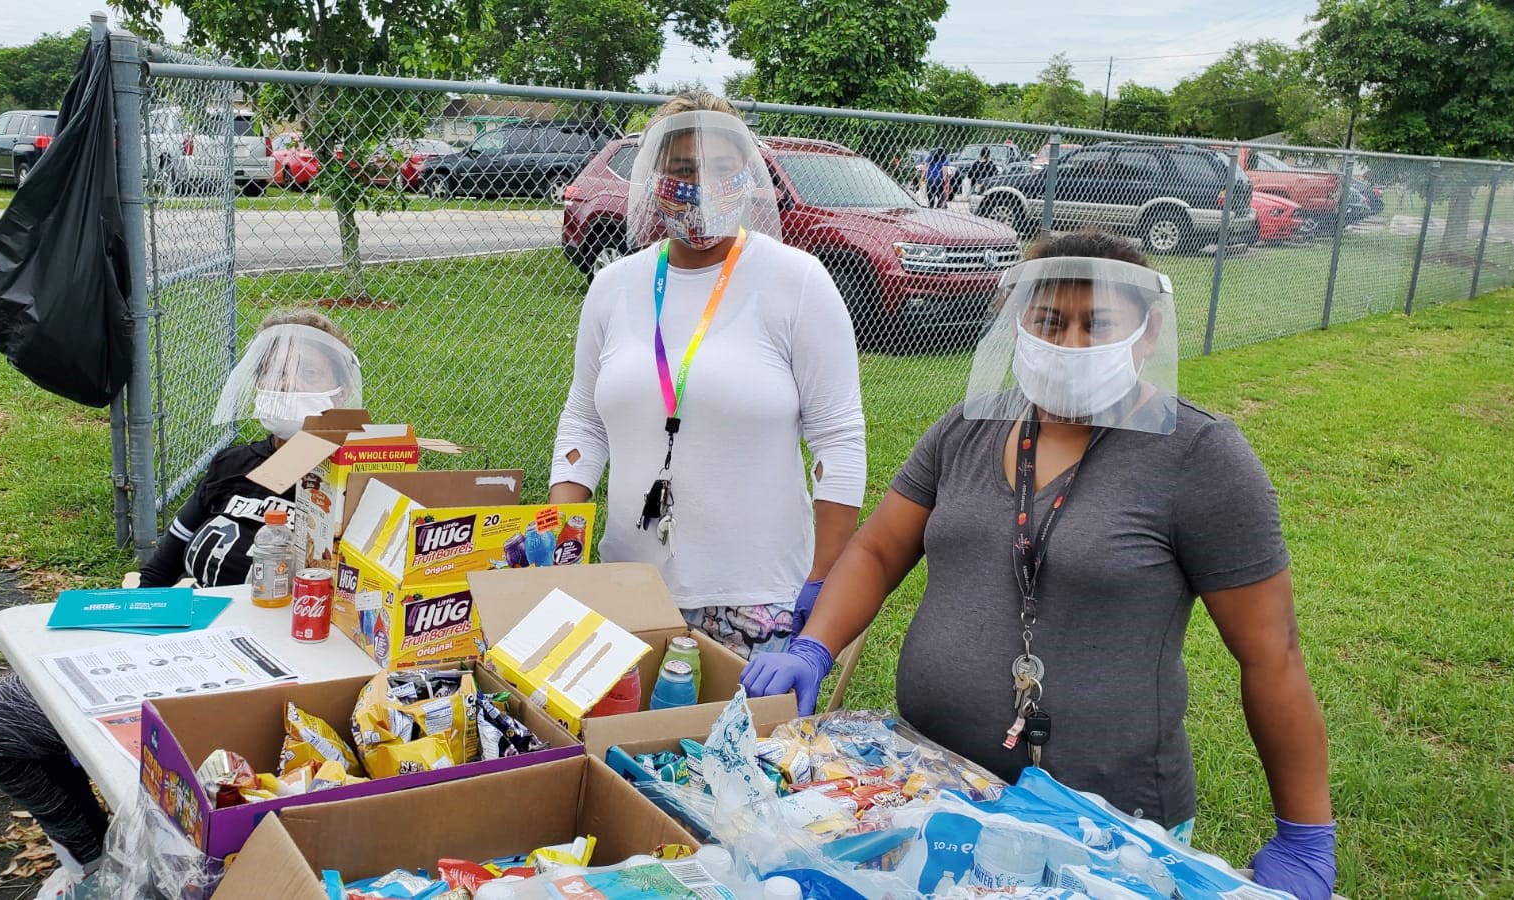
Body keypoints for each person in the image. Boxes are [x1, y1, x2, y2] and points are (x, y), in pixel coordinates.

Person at [741, 232, 1336, 899]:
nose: (1072, 344)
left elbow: (1272, 653)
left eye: (1098, 323)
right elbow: (879, 551)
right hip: (929, 786)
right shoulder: (966, 429)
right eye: (1050, 321)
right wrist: (814, 646)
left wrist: (1305, 834)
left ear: (1148, 332)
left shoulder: (1201, 458)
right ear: (1016, 322)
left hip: (1107, 831)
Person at [0, 311, 361, 886]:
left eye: (306, 370)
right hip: (184, 649)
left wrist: (338, 454)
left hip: (279, 671)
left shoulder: (359, 479)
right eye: (276, 368)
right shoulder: (234, 465)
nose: (286, 382)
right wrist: (122, 630)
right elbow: (163, 565)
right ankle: (95, 860)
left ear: (341, 387)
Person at [549, 90, 866, 659]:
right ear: (652, 178)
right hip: (628, 591)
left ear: (748, 172)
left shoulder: (797, 280)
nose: (703, 182)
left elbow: (838, 436)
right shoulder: (614, 286)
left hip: (759, 600)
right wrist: (560, 543)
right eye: (683, 168)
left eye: (723, 166)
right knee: (625, 744)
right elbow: (584, 421)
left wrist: (824, 583)